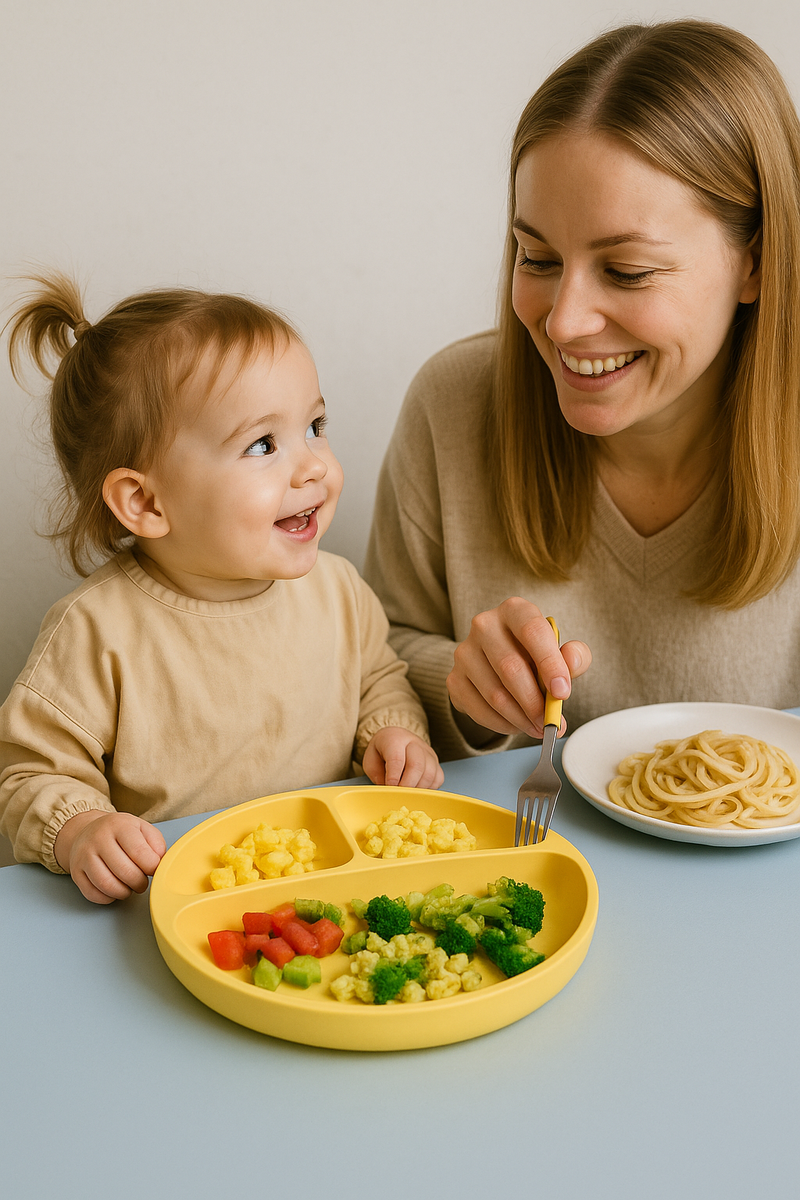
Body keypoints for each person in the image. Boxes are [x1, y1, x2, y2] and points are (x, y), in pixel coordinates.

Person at [365, 19, 800, 762]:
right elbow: (373, 652)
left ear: (754, 263)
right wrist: (466, 692)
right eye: (536, 257)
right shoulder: (453, 402)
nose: (563, 323)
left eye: (628, 271)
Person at [0, 276, 443, 903]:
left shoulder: (337, 589)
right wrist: (82, 829)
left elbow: (379, 679)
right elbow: (28, 772)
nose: (313, 464)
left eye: (315, 424)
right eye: (263, 444)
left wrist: (392, 734)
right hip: (178, 903)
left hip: (327, 890)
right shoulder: (96, 631)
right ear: (145, 502)